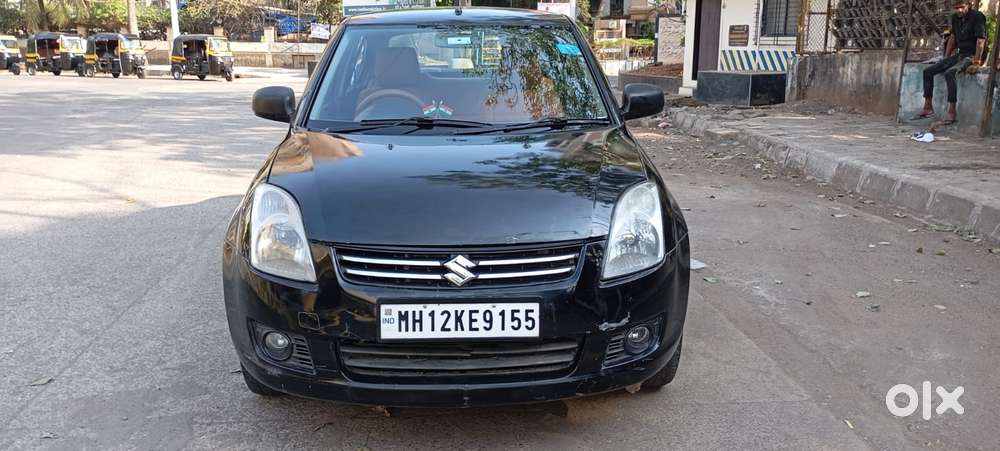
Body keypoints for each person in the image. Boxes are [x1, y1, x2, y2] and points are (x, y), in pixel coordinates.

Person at [916, 0, 987, 124]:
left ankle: (952, 111)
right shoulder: (955, 18)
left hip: (971, 55)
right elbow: (953, 37)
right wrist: (946, 58)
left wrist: (977, 61)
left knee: (950, 73)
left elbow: (980, 40)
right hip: (960, 54)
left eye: (962, 7)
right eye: (956, 7)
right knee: (928, 71)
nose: (959, 10)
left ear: (968, 5)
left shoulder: (977, 17)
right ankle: (928, 108)